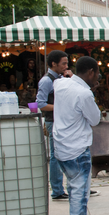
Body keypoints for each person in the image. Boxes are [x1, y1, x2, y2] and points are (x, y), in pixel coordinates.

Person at [53, 56, 102, 215]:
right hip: (77, 146)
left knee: (74, 186)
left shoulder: (61, 84)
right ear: (90, 72)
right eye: (96, 74)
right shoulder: (84, 93)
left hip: (61, 144)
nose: (97, 77)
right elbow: (95, 119)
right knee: (80, 189)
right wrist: (91, 94)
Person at [37, 50, 72, 201]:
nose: (66, 66)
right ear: (54, 64)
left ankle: (68, 187)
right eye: (63, 63)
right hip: (53, 121)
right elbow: (40, 103)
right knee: (56, 155)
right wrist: (59, 107)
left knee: (66, 153)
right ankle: (57, 190)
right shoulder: (46, 81)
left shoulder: (61, 77)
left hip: (62, 120)